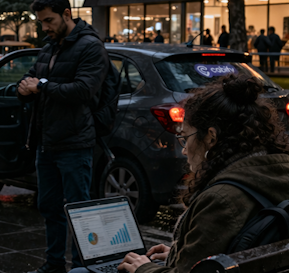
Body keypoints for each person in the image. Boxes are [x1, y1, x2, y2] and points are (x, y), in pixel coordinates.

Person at [77, 75, 289, 273]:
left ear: (211, 138)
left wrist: (144, 269)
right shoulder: (277, 172)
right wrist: (179, 253)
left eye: (185, 138)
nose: (185, 149)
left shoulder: (220, 200)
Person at [17, 0, 109, 273]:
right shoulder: (49, 46)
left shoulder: (91, 46)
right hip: (46, 143)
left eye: (49, 20)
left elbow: (83, 90)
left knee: (80, 210)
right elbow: (31, 77)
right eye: (41, 22)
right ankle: (54, 265)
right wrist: (24, 88)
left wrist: (41, 86)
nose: (44, 27)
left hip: (75, 143)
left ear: (66, 14)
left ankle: (83, 268)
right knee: (50, 207)